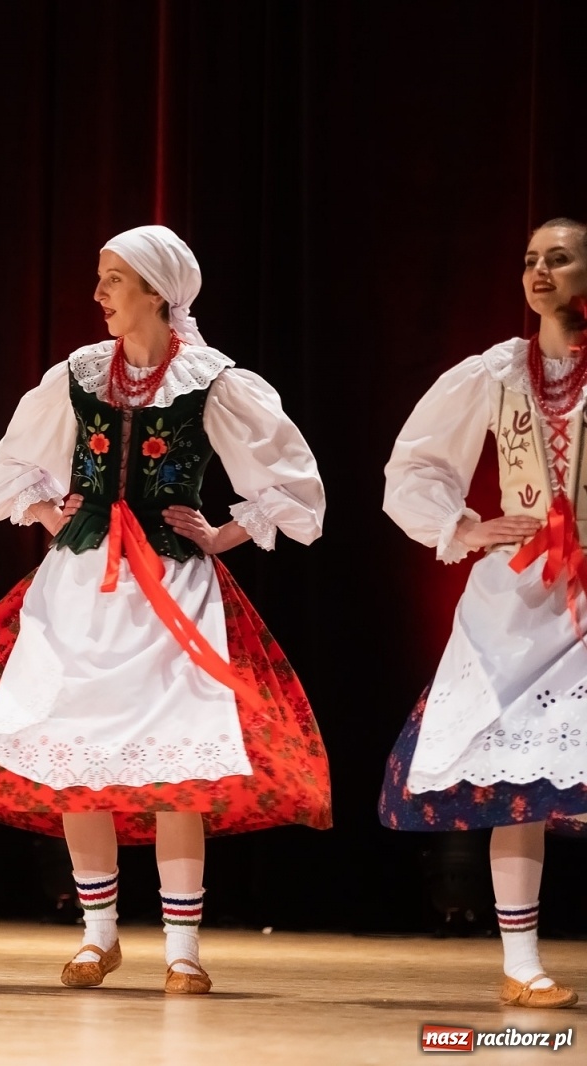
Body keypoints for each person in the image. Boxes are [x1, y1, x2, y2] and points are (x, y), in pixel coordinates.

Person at [0, 225, 330, 994]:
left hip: (172, 593)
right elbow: (13, 470)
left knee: (180, 760)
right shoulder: (79, 374)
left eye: (112, 279)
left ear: (157, 292)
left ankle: (182, 945)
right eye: (99, 278)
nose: (98, 294)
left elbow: (294, 487)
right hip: (81, 586)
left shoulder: (211, 379)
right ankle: (99, 934)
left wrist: (228, 530)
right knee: (77, 754)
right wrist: (47, 512)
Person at [378, 218, 587, 1010]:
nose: (539, 271)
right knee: (519, 781)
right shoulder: (498, 372)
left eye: (558, 259)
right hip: (523, 598)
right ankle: (521, 961)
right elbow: (416, 465)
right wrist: (462, 527)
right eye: (531, 259)